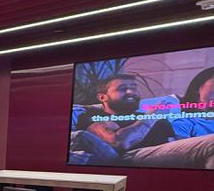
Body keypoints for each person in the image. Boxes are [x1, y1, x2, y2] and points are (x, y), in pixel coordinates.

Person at [70, 72, 214, 168]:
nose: (131, 92)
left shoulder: (144, 114)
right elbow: (119, 142)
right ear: (102, 97)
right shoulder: (92, 116)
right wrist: (152, 116)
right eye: (123, 88)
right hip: (135, 154)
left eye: (133, 88)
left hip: (163, 152)